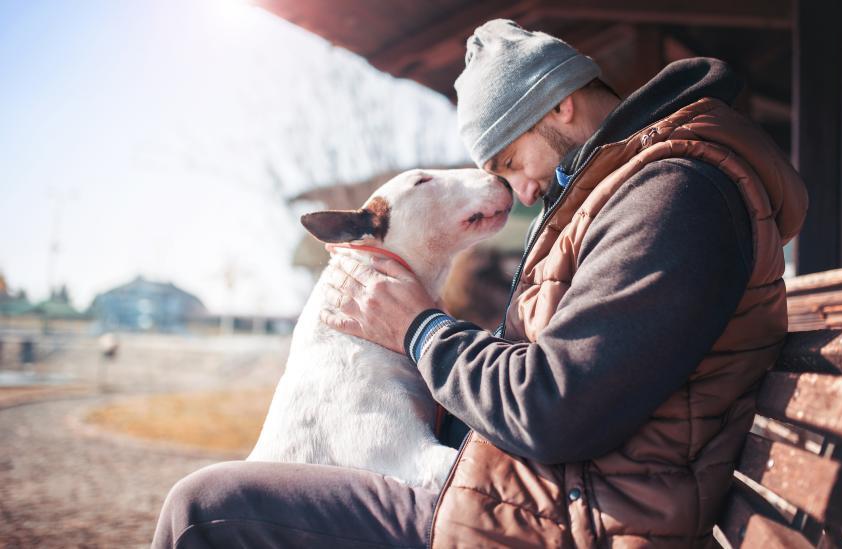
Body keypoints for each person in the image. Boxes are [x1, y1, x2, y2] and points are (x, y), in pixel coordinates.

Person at [152, 20, 807, 548]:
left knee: (205, 508)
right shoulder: (631, 193)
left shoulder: (674, 196)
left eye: (511, 160)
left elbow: (552, 406)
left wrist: (418, 328)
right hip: (540, 488)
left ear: (561, 104)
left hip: (566, 519)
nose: (518, 189)